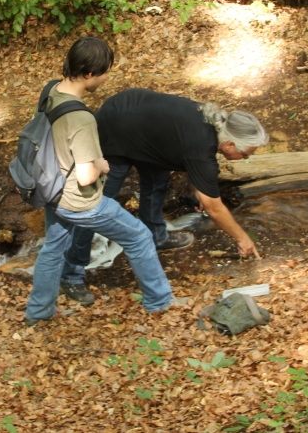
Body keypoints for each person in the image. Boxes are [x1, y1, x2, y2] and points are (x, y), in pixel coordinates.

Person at [59, 88, 268, 306]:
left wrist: (198, 187)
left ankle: (156, 236)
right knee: (94, 207)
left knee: (157, 179)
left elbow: (192, 159)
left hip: (144, 129)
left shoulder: (212, 125)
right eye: (245, 154)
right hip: (115, 128)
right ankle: (70, 273)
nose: (245, 158)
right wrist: (242, 238)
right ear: (229, 144)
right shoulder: (201, 144)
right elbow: (214, 208)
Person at [24, 38, 174, 325]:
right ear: (89, 74)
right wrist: (101, 165)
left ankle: (38, 314)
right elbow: (85, 177)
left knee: (53, 249)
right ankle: (160, 303)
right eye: (105, 72)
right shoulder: (81, 118)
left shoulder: (51, 90)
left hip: (50, 189)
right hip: (79, 201)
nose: (106, 78)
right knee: (140, 236)